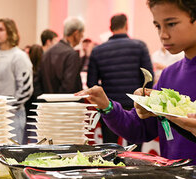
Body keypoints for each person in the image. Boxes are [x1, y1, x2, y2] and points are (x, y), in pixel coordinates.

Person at [76, 0, 196, 163]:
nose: (163, 35)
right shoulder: (169, 75)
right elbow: (140, 128)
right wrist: (107, 106)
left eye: (171, 24)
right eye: (158, 26)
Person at [87, 14, 154, 144]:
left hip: (109, 105)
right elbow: (148, 78)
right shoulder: (139, 47)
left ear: (110, 28)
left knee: (110, 147)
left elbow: (92, 84)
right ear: (126, 25)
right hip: (135, 105)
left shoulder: (98, 51)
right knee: (135, 148)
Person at [0, 18, 33, 144]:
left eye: (1, 29)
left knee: (13, 154)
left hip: (14, 115)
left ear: (11, 32)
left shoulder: (19, 56)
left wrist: (8, 108)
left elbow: (26, 90)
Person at [38, 17, 84, 94]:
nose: (82, 37)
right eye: (82, 34)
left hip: (47, 102)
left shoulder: (47, 53)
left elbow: (39, 81)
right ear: (76, 34)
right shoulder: (72, 54)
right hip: (66, 103)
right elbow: (69, 86)